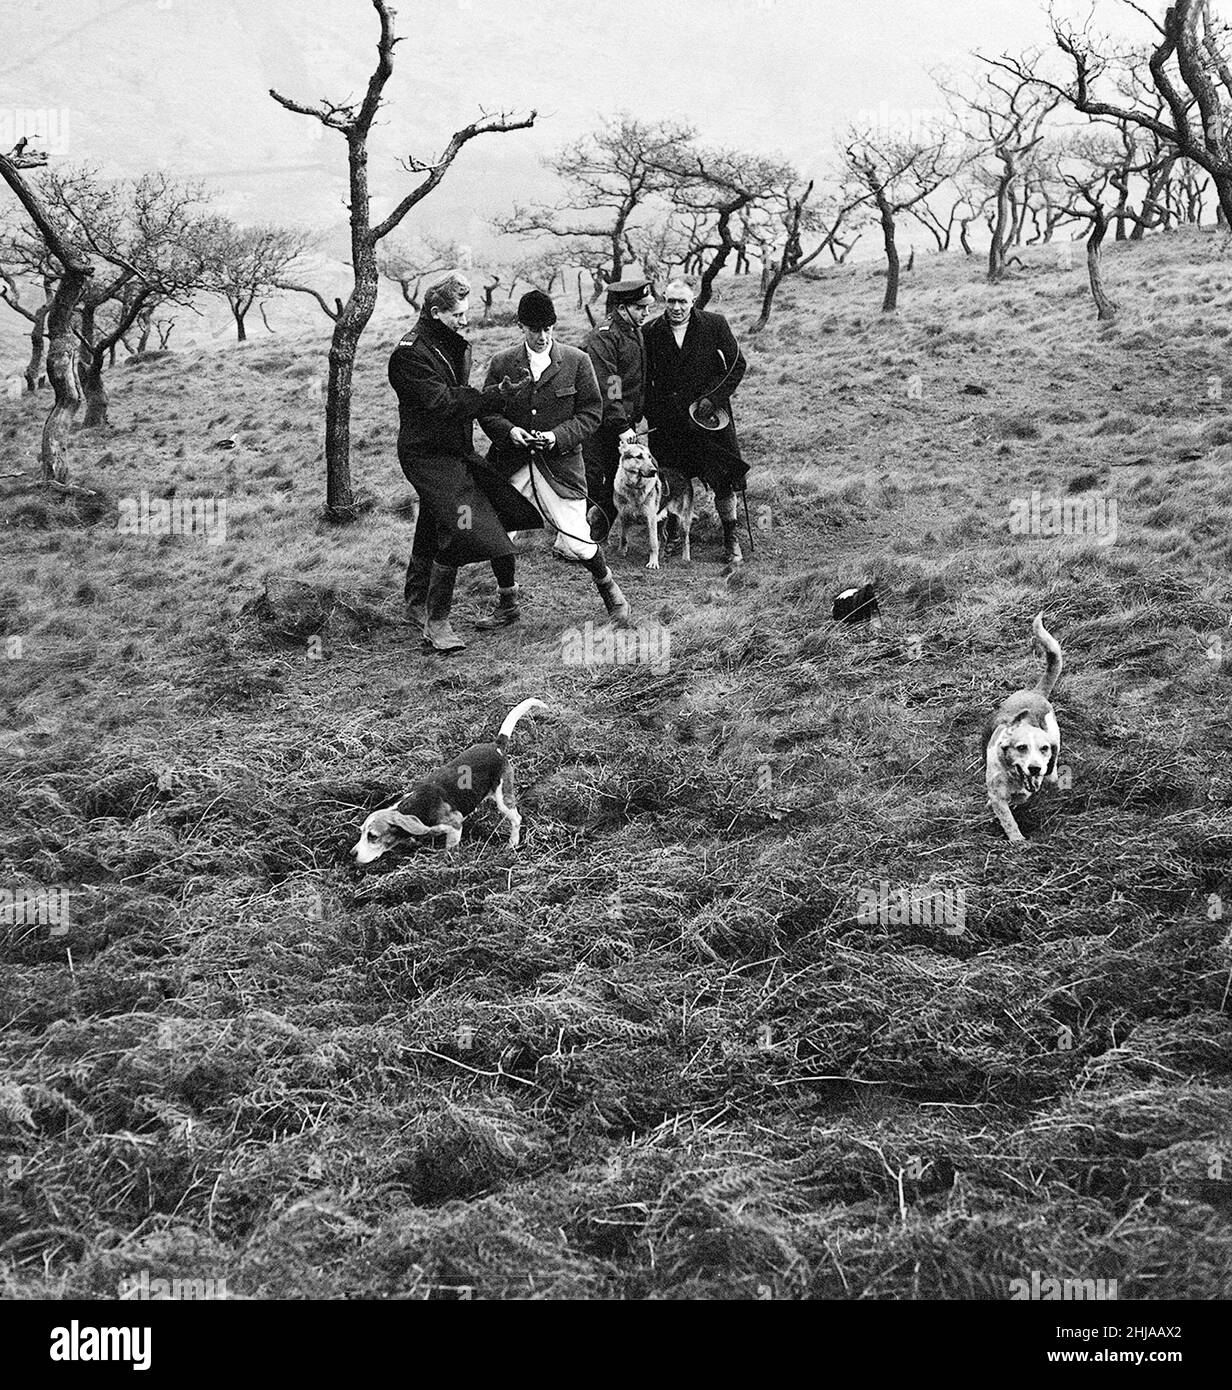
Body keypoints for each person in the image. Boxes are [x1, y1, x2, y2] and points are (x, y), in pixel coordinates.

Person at [390, 273, 538, 653]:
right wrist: (492, 398)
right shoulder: (409, 354)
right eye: (459, 314)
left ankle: (413, 604)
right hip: (426, 456)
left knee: (434, 520)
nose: (466, 320)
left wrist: (499, 394)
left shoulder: (448, 342)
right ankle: (436, 621)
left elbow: (457, 398)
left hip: (454, 451)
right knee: (461, 526)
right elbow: (442, 402)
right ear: (436, 313)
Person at [478, 289, 631, 627]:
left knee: (578, 539)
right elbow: (487, 410)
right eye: (535, 329)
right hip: (511, 464)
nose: (543, 336)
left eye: (549, 328)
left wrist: (556, 437)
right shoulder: (502, 362)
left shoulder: (577, 361)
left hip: (559, 467)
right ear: (521, 327)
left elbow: (591, 413)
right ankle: (508, 604)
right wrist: (510, 432)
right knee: (499, 534)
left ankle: (612, 594)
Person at [644, 277, 750, 565]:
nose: (676, 308)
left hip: (710, 421)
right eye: (671, 301)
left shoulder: (715, 324)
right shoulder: (651, 331)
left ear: (693, 301)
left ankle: (731, 536)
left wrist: (712, 399)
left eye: (682, 301)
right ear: (664, 300)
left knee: (723, 479)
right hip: (669, 424)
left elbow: (736, 365)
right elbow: (643, 377)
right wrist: (648, 412)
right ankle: (674, 534)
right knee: (670, 480)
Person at [580, 276, 653, 543]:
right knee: (597, 479)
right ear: (622, 309)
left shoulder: (634, 330)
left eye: (647, 307)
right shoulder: (605, 336)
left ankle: (598, 536)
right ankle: (582, 537)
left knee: (616, 476)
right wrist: (622, 426)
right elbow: (610, 385)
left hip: (624, 420)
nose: (646, 312)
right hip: (601, 424)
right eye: (639, 308)